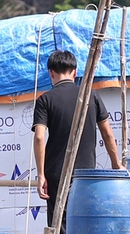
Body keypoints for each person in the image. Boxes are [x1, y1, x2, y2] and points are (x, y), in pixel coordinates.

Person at [32, 48, 124, 203]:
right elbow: (107, 133)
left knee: (60, 224)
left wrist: (41, 175)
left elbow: (39, 137)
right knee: (84, 220)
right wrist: (116, 164)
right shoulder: (91, 95)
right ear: (75, 72)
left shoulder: (45, 100)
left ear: (51, 73)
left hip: (56, 174)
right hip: (86, 173)